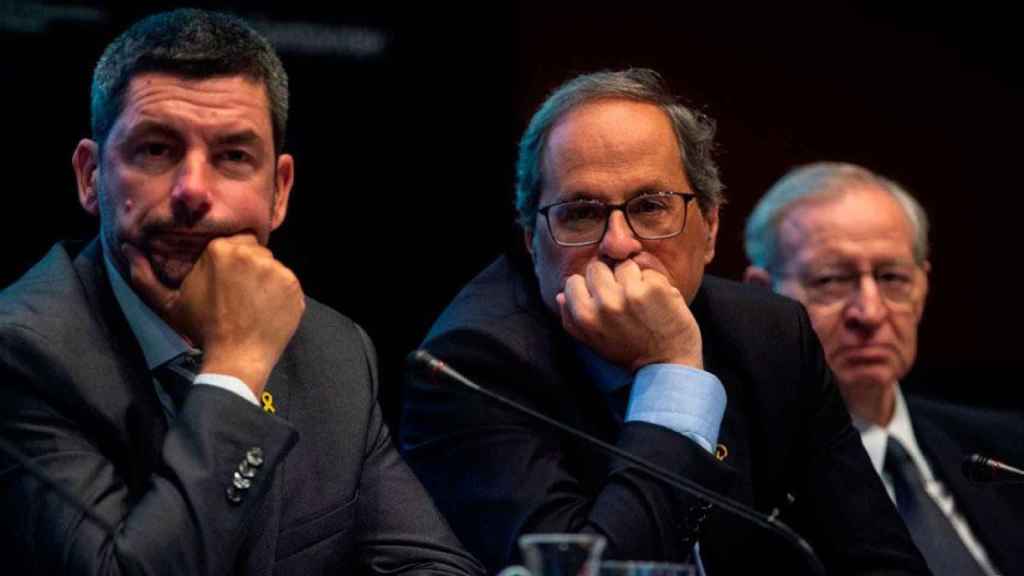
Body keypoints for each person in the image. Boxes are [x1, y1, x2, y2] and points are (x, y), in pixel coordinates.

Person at [0, 9, 482, 575]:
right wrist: (235, 370)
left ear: (278, 192)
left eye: (232, 156)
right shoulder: (22, 354)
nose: (193, 192)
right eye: (155, 150)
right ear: (90, 176)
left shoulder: (332, 351)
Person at [400, 69, 930, 575]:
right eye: (581, 212)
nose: (619, 244)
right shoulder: (469, 367)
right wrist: (672, 371)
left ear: (711, 228)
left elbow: (880, 562)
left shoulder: (772, 337)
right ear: (530, 240)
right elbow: (593, 572)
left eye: (650, 206)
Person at [744, 162, 1024, 575]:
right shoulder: (737, 485)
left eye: (892, 277)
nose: (870, 312)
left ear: (922, 288)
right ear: (763, 298)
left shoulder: (1008, 452)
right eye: (831, 280)